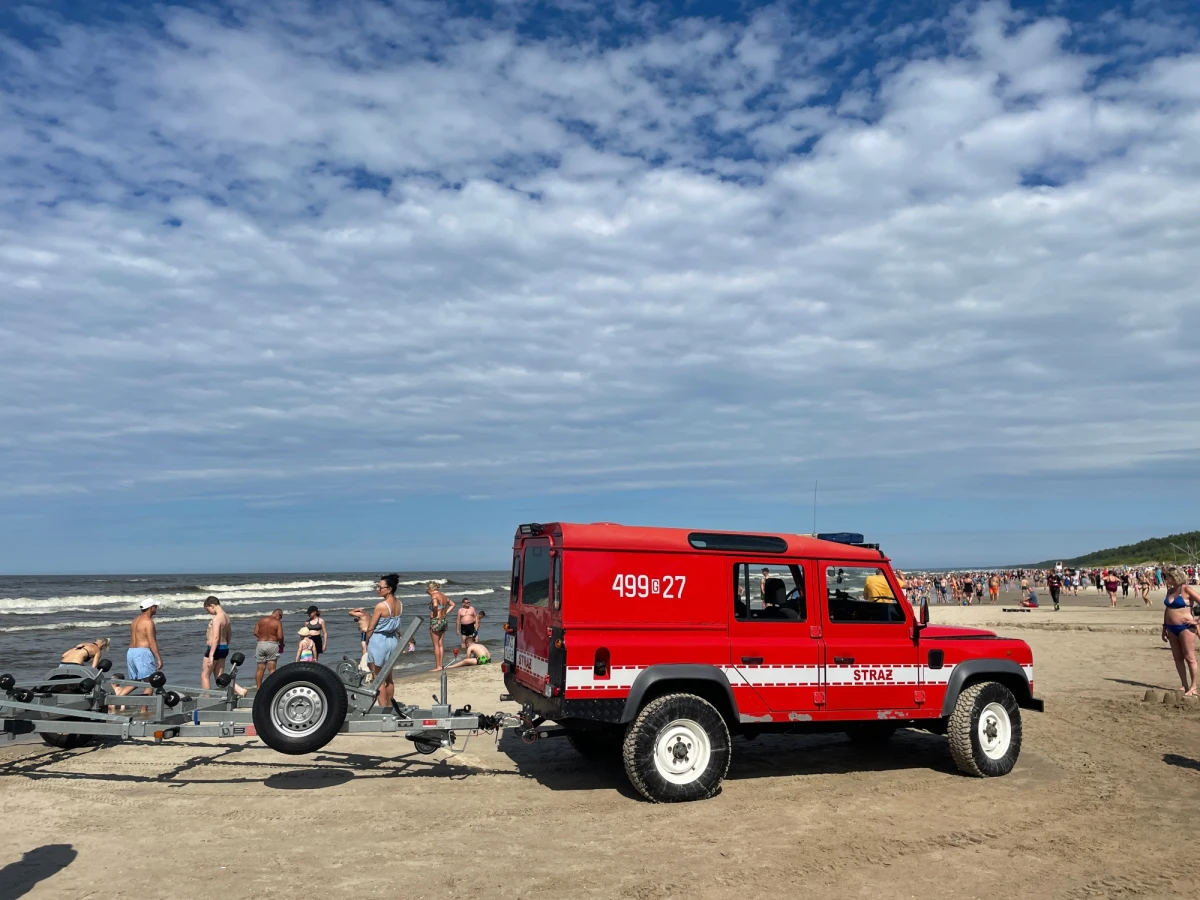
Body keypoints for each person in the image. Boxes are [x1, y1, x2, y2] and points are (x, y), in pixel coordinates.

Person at [366, 574, 404, 709]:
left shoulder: (381, 606)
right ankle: (389, 706)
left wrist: (366, 641)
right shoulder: (399, 604)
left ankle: (383, 708)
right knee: (389, 678)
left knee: (378, 678)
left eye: (380, 587)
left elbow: (370, 628)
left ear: (389, 589)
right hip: (392, 640)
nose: (377, 589)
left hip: (379, 641)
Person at [113, 600, 163, 701]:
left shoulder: (135, 620)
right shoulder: (148, 622)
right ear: (151, 608)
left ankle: (113, 701)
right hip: (142, 653)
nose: (157, 608)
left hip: (131, 652)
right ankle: (144, 708)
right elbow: (151, 642)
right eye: (155, 606)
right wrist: (158, 658)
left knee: (135, 682)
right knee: (150, 683)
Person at [1162, 566, 1200, 696]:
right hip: (1171, 628)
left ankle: (1194, 686)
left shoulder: (1186, 589)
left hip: (1185, 628)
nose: (1165, 579)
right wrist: (1164, 627)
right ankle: (1184, 684)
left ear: (1174, 577)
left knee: (1189, 657)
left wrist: (1197, 621)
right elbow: (1167, 610)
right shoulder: (1170, 591)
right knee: (1177, 658)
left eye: (1167, 577)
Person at [201, 596, 232, 689]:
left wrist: (211, 655)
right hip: (224, 648)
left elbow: (216, 637)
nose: (208, 612)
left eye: (208, 610)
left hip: (214, 649)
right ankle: (240, 690)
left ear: (212, 606)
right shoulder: (226, 616)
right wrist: (226, 646)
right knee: (219, 677)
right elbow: (229, 634)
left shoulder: (217, 618)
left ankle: (206, 697)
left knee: (205, 676)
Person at [426, 581, 455, 671]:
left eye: (427, 591)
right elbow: (453, 604)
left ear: (430, 589)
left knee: (436, 645)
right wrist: (445, 612)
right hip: (443, 620)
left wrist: (434, 613)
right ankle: (440, 665)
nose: (428, 593)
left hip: (436, 620)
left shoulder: (434, 596)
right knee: (441, 644)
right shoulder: (443, 595)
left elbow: (435, 605)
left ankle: (437, 666)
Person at [253, 609, 284, 688]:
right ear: (279, 615)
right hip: (272, 644)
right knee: (271, 668)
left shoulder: (261, 620)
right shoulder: (277, 622)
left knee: (260, 668)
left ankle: (259, 689)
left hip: (260, 644)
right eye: (281, 617)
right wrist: (281, 644)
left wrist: (262, 637)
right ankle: (271, 688)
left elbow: (255, 632)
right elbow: (280, 636)